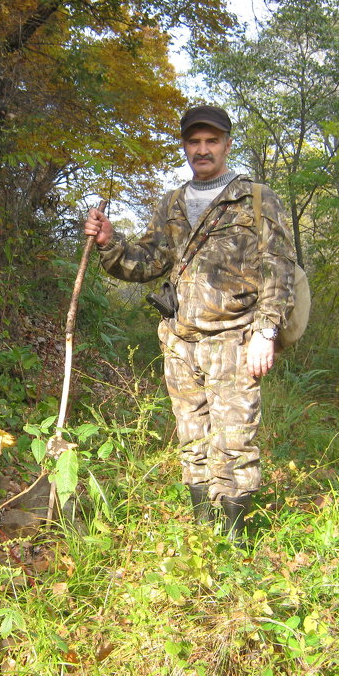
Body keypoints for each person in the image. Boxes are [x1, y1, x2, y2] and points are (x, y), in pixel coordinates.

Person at [83, 105, 297, 538]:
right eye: (194, 142)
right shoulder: (173, 203)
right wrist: (110, 242)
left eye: (211, 141)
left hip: (236, 339)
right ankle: (204, 532)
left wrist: (266, 332)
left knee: (234, 443)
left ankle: (234, 543)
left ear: (226, 144)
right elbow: (147, 262)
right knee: (193, 440)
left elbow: (280, 268)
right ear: (185, 146)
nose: (202, 150)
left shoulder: (255, 197)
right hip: (180, 341)